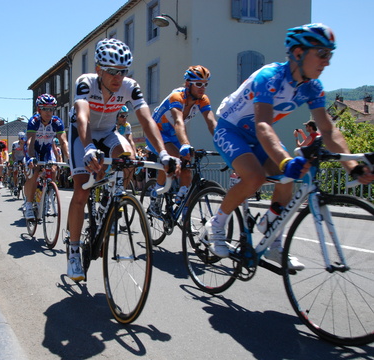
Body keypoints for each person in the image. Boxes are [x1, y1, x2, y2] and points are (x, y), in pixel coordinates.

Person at [209, 23, 374, 269]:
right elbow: (264, 125)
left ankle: (272, 235)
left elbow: (328, 129)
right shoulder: (269, 77)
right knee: (254, 177)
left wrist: (353, 166)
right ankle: (217, 224)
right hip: (230, 130)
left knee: (290, 176)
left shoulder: (312, 87)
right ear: (298, 53)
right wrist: (286, 160)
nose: (327, 62)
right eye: (322, 53)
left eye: (330, 55)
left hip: (257, 136)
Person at [66, 38, 180, 281]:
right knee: (81, 191)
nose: (118, 78)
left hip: (108, 134)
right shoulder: (85, 83)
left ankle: (110, 200)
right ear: (99, 69)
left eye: (122, 72)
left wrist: (163, 153)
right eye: (112, 72)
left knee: (127, 159)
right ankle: (74, 251)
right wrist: (87, 148)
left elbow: (147, 120)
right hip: (82, 134)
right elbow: (83, 116)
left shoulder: (130, 86)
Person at [147, 65, 217, 211]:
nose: (202, 88)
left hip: (173, 135)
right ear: (187, 84)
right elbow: (178, 122)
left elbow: (211, 123)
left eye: (205, 84)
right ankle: (155, 195)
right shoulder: (177, 97)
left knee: (187, 165)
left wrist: (224, 143)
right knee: (172, 157)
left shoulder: (203, 100)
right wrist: (185, 144)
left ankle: (184, 207)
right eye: (198, 84)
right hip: (156, 133)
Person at [24, 94, 69, 219]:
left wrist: (69, 157)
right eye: (45, 108)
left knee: (53, 169)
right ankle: (28, 205)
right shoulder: (34, 121)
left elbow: (64, 142)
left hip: (47, 150)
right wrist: (31, 158)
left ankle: (48, 197)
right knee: (35, 171)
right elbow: (30, 142)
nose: (49, 112)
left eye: (51, 109)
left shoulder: (57, 122)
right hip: (34, 150)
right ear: (39, 109)